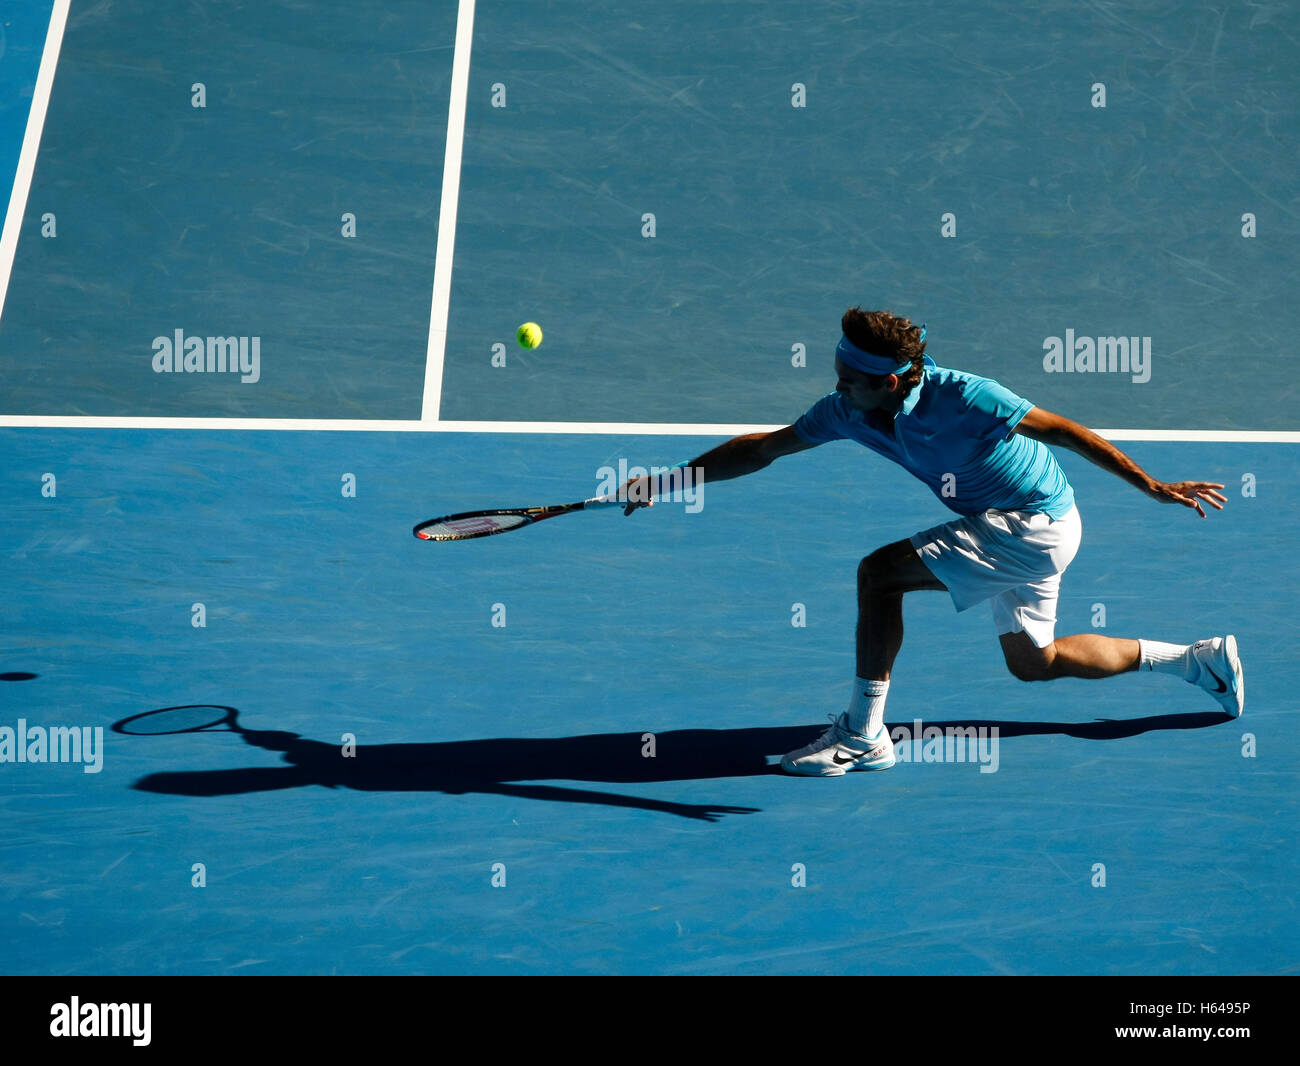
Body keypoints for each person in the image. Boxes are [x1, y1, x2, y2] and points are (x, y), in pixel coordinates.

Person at [620, 308, 1243, 777]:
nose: (838, 390)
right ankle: (1198, 660)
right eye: (837, 376)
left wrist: (1152, 486)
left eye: (851, 381)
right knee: (1036, 664)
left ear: (890, 382)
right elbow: (766, 446)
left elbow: (1065, 431)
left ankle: (864, 734)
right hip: (1019, 525)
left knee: (878, 574)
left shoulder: (967, 396)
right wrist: (674, 480)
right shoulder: (846, 410)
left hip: (1033, 523)